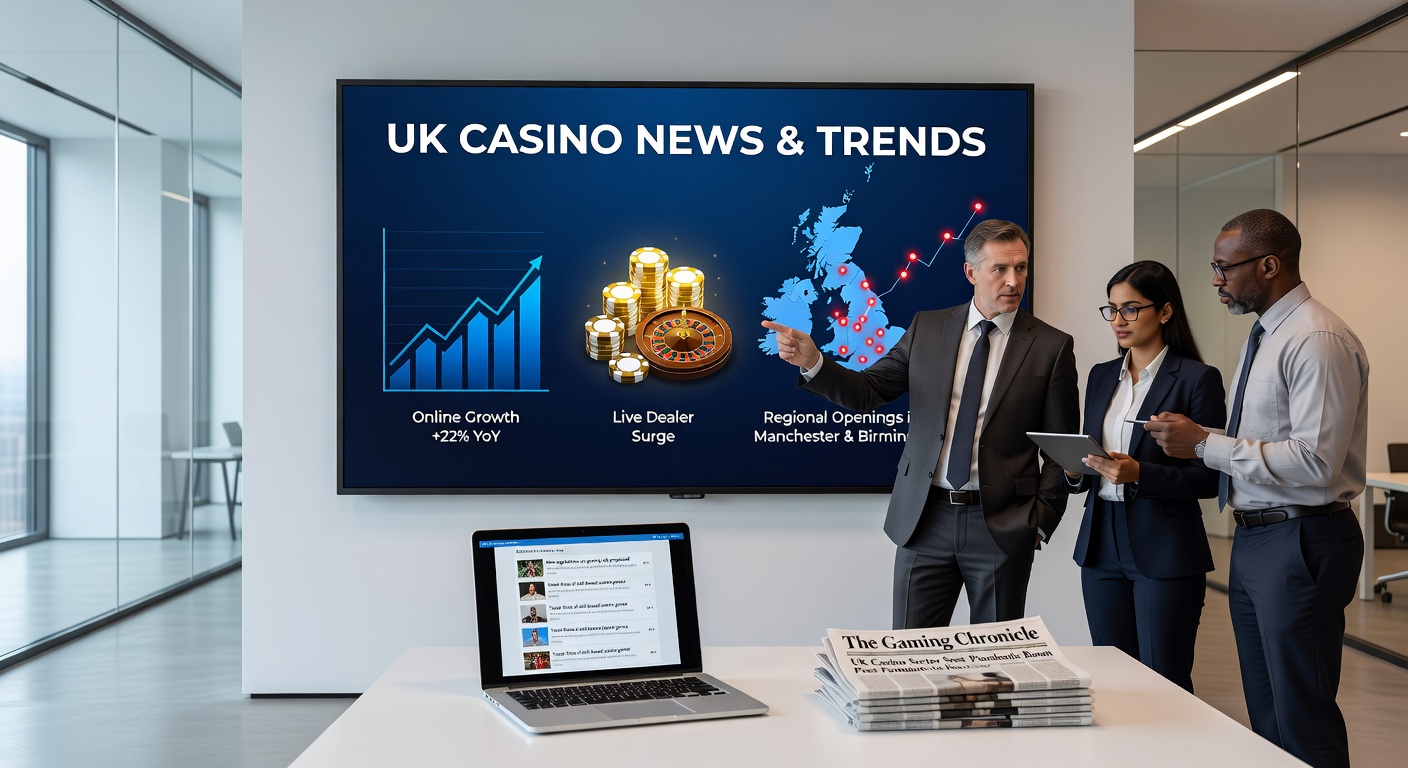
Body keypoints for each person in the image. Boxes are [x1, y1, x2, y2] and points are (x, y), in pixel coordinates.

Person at [762, 219, 1079, 627]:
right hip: (924, 520)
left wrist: (1040, 521)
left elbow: (1061, 445)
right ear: (971, 272)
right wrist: (814, 363)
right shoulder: (928, 329)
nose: (1013, 280)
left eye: (1021, 268)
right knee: (911, 655)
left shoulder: (1052, 346)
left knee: (998, 663)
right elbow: (867, 391)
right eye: (999, 269)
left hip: (1003, 524)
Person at [1145, 209, 1367, 768]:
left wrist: (1204, 445)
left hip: (1301, 538)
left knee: (1301, 713)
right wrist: (1200, 437)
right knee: (1266, 716)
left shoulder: (1315, 338)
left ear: (1269, 265)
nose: (1216, 280)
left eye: (1225, 268)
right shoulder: (1267, 333)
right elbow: (1269, 440)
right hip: (1258, 539)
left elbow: (1315, 462)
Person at [1064, 260, 1225, 693]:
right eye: (1112, 309)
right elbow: (1092, 462)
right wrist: (1075, 471)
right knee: (1113, 681)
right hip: (1101, 544)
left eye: (1131, 309)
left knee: (1164, 681)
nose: (1118, 320)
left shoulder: (1197, 380)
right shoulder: (1100, 376)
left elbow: (1211, 480)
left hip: (1165, 546)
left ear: (1165, 312)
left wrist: (1141, 474)